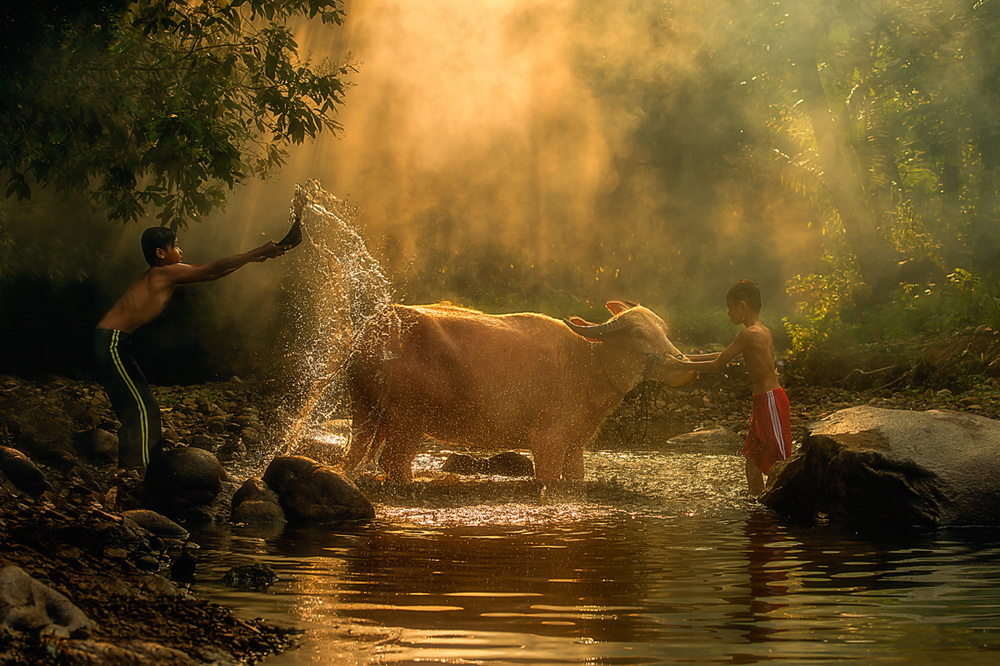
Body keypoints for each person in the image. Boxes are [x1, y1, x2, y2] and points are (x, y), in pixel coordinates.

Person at [94, 226, 291, 469]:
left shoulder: (165, 273)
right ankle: (137, 470)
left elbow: (211, 275)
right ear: (160, 253)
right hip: (111, 342)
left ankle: (138, 465)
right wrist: (257, 251)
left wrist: (252, 259)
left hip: (115, 342)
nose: (181, 249)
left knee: (144, 407)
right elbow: (212, 267)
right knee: (141, 408)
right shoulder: (161, 273)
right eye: (176, 245)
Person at [664, 279, 791, 494]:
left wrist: (681, 365)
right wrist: (686, 358)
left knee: (779, 462)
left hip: (771, 400)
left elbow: (717, 364)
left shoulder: (749, 333)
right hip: (763, 400)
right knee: (752, 460)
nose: (728, 313)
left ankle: (784, 504)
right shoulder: (761, 331)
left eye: (730, 308)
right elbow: (722, 356)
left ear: (742, 306)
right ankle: (757, 506)